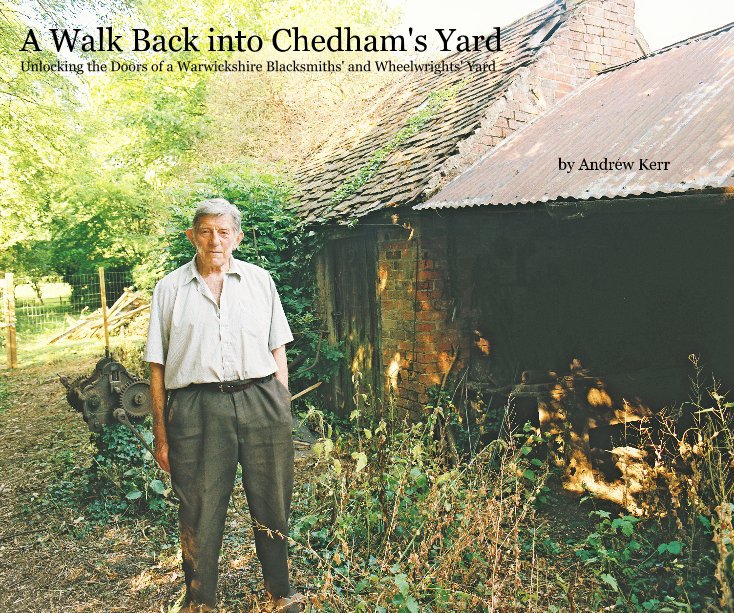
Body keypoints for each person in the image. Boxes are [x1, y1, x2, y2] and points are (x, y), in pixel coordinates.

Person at [144, 198, 304, 612]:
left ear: (237, 237)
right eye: (205, 231)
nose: (215, 240)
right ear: (191, 236)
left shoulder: (260, 281)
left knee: (272, 501)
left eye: (223, 231)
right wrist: (161, 434)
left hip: (261, 399)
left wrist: (280, 406)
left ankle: (280, 593)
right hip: (197, 407)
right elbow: (157, 368)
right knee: (199, 507)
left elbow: (277, 349)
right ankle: (201, 601)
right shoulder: (169, 289)